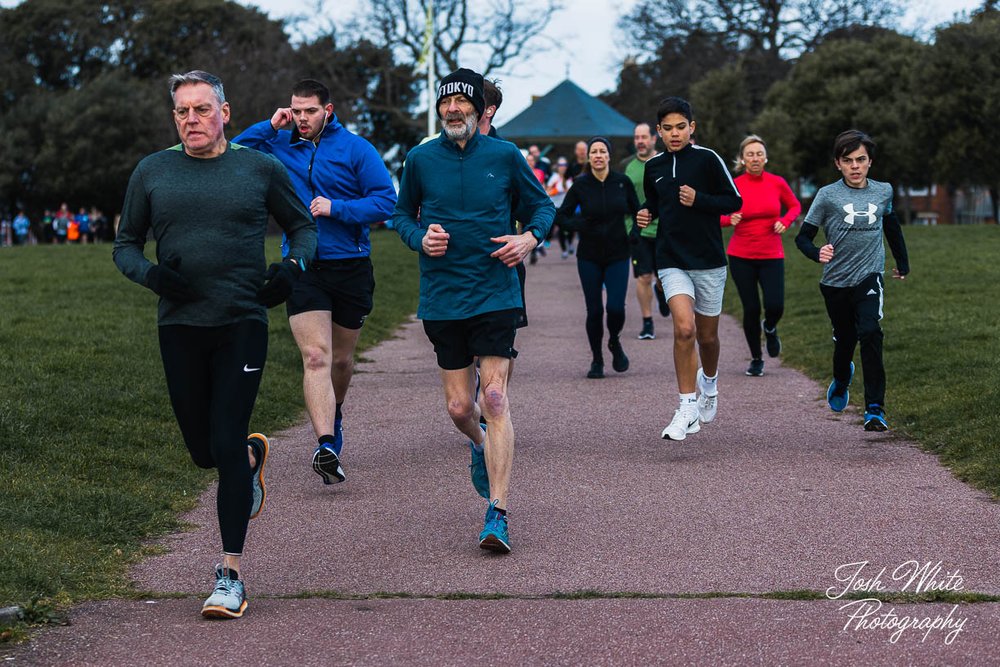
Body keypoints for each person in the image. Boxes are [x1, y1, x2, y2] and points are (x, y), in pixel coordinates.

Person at [113, 70, 317, 619]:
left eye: (202, 109)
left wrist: (292, 270)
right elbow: (125, 245)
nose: (192, 120)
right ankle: (251, 457)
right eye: (182, 112)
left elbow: (303, 228)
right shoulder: (152, 172)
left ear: (225, 113)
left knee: (223, 441)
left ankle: (230, 575)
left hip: (241, 320)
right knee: (204, 451)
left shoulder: (258, 167)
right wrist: (153, 277)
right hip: (180, 324)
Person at [393, 68, 554, 554]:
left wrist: (529, 238)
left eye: (462, 103)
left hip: (494, 291)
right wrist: (420, 237)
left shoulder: (505, 156)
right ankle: (481, 444)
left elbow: (542, 207)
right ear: (440, 109)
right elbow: (401, 215)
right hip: (443, 296)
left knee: (496, 399)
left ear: (477, 109)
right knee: (461, 408)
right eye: (446, 104)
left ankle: (498, 512)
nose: (453, 110)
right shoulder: (420, 160)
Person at [234, 79, 397, 486]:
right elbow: (233, 155)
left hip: (350, 266)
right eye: (296, 110)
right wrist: (270, 126)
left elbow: (386, 201)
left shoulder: (357, 149)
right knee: (315, 357)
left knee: (340, 360)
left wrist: (336, 207)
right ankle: (325, 445)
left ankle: (335, 414)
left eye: (310, 111)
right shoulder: (279, 144)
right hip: (301, 264)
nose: (302, 118)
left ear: (329, 109)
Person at [636, 97, 742, 442]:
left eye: (681, 127)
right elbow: (654, 203)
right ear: (659, 132)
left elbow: (734, 201)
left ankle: (708, 383)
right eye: (667, 128)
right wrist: (645, 213)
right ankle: (686, 406)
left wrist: (700, 200)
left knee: (708, 337)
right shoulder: (654, 167)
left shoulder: (708, 159)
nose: (675, 133)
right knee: (684, 329)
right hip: (671, 258)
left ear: (692, 128)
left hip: (708, 260)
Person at [795, 129, 909, 431]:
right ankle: (842, 379)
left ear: (870, 162)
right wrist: (816, 252)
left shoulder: (883, 191)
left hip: (869, 275)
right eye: (848, 161)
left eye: (861, 160)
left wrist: (903, 262)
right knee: (845, 342)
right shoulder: (827, 196)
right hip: (835, 282)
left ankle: (874, 409)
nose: (855, 166)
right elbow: (802, 238)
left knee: (870, 331)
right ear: (838, 164)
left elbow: (892, 226)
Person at [557, 137, 639, 378]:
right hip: (589, 256)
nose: (598, 155)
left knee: (615, 308)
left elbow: (639, 211)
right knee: (594, 311)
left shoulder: (622, 183)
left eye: (603, 151)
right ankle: (597, 359)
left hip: (618, 253)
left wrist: (634, 234)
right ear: (589, 157)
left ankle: (614, 340)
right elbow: (561, 216)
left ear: (609, 156)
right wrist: (580, 225)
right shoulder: (581, 185)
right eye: (594, 152)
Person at [721, 135, 801, 376]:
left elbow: (795, 206)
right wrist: (728, 219)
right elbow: (715, 214)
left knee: (775, 304)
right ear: (742, 159)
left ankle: (771, 326)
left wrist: (784, 221)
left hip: (771, 254)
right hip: (741, 255)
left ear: (765, 158)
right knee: (751, 308)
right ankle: (756, 358)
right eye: (750, 154)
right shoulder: (734, 184)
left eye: (759, 154)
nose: (755, 158)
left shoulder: (776, 183)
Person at [620, 122, 670, 340]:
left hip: (664, 230)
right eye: (636, 138)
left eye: (644, 137)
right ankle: (647, 322)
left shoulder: (665, 162)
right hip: (638, 231)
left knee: (663, 278)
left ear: (653, 139)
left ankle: (661, 292)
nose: (640, 141)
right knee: (643, 277)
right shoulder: (626, 166)